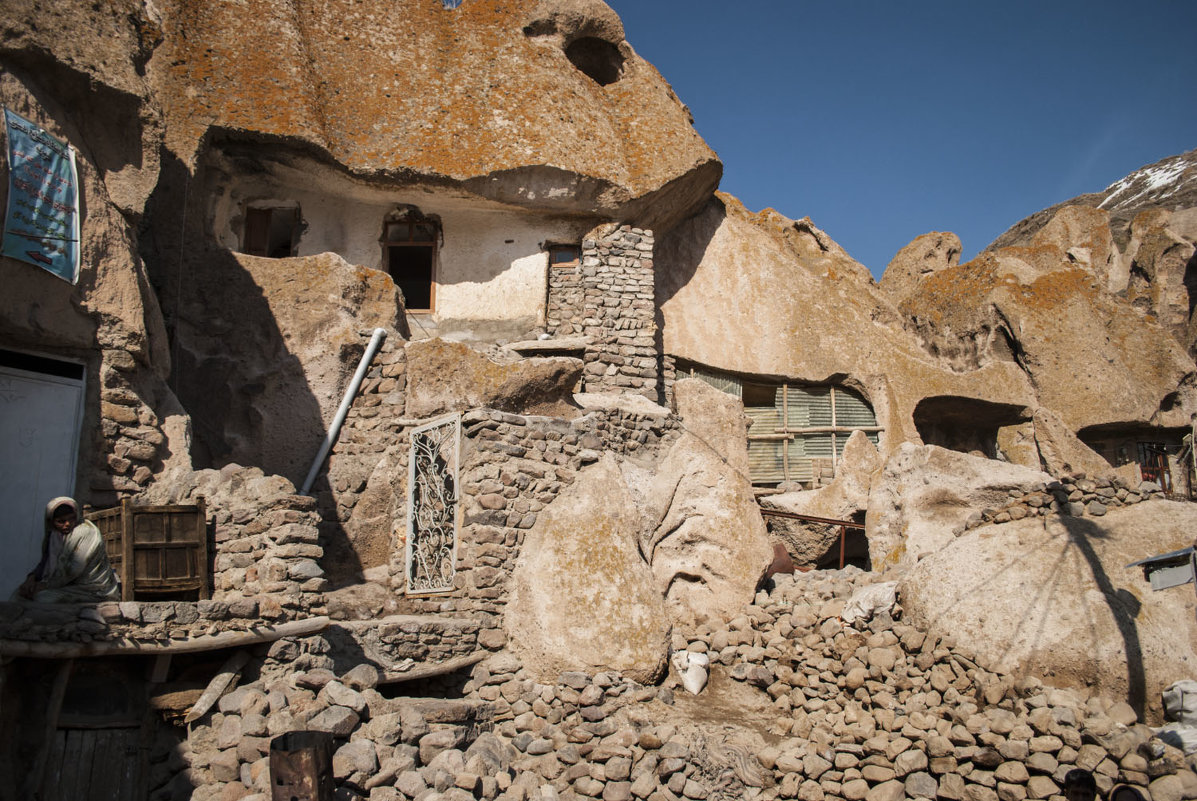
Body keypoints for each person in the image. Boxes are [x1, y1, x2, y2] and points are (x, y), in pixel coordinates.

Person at [14, 497, 120, 603]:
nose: (67, 524)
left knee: (42, 598)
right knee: (19, 594)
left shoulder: (86, 532)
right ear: (51, 522)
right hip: (65, 584)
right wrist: (31, 579)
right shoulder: (54, 535)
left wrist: (45, 586)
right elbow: (45, 561)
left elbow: (73, 569)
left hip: (93, 589)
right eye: (61, 521)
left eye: (71, 518)